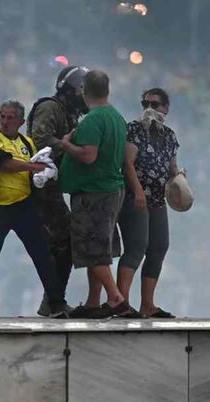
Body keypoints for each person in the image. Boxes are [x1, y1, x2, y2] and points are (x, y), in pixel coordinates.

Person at [0, 100, 71, 319]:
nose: (5, 122)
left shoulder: (28, 143)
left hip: (23, 205)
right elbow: (4, 164)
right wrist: (33, 167)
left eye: (10, 118)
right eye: (2, 117)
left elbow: (41, 163)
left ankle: (57, 303)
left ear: (21, 121)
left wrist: (44, 172)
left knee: (43, 254)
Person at [58, 69, 139, 319]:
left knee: (93, 249)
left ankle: (115, 299)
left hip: (94, 192)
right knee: (100, 247)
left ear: (84, 91)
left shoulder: (93, 120)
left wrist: (65, 144)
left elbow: (88, 154)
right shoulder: (115, 117)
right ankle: (93, 302)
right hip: (111, 190)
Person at [27, 65, 89, 316]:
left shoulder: (69, 113)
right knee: (64, 239)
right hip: (41, 187)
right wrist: (67, 145)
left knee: (62, 242)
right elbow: (40, 139)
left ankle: (52, 300)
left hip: (51, 187)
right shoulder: (50, 108)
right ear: (70, 90)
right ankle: (53, 302)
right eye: (82, 90)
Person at [116, 88, 179, 318]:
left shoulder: (169, 136)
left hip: (157, 198)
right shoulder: (134, 129)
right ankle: (121, 303)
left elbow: (172, 167)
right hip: (136, 197)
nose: (149, 109)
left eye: (155, 104)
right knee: (136, 247)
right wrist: (138, 190)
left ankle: (148, 304)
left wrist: (178, 179)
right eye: (145, 104)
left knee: (159, 246)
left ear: (166, 108)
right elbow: (128, 162)